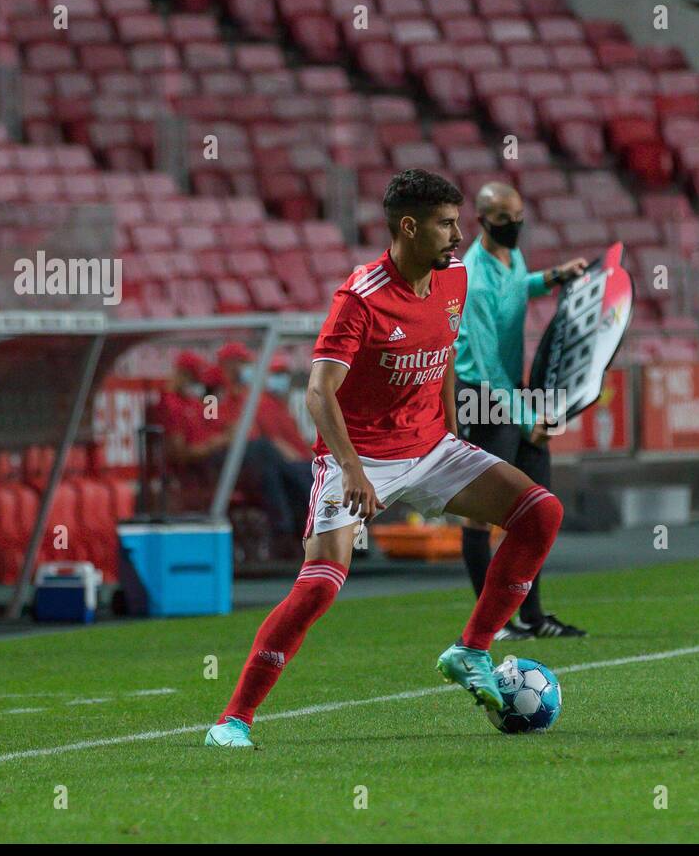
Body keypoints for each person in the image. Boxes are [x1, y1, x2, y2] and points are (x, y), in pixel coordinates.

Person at [206, 169, 564, 749]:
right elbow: (319, 392)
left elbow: (444, 352)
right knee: (319, 587)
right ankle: (233, 720)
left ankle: (471, 650)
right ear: (408, 226)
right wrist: (350, 469)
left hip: (430, 447)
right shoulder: (360, 298)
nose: (457, 236)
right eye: (446, 225)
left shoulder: (454, 282)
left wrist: (452, 431)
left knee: (540, 511)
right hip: (360, 458)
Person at [455, 181, 589, 640]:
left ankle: (532, 618)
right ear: (482, 221)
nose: (514, 227)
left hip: (512, 390)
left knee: (534, 510)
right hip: (481, 395)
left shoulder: (511, 258)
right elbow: (489, 367)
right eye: (504, 220)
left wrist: (553, 278)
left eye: (518, 218)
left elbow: (517, 288)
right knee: (482, 513)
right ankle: (493, 624)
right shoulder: (472, 277)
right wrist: (530, 421)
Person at [216, 343, 313, 552]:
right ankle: (307, 529)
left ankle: (296, 534)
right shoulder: (216, 398)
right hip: (235, 463)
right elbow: (215, 426)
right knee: (278, 463)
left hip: (265, 463)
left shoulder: (258, 398)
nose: (244, 368)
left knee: (280, 471)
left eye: (245, 363)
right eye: (240, 363)